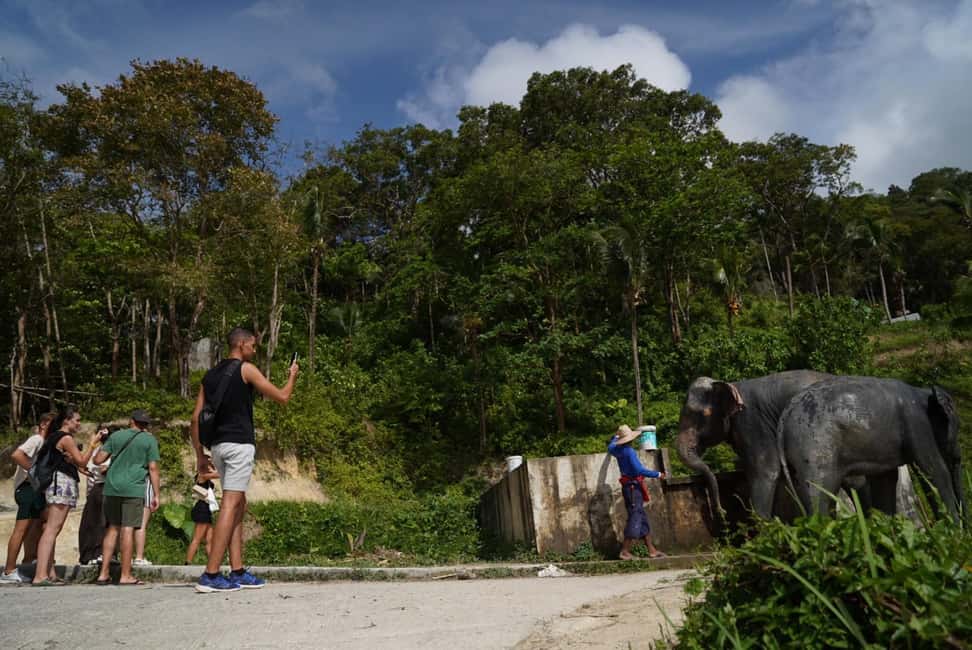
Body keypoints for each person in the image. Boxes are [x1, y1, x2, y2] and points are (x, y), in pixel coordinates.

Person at [190, 327, 298, 593]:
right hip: (239, 444)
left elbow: (195, 418)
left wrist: (199, 456)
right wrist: (292, 376)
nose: (254, 350)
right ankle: (211, 574)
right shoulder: (246, 369)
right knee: (231, 503)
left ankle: (237, 570)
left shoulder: (210, 375)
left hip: (217, 446)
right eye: (252, 346)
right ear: (241, 344)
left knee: (239, 504)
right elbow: (282, 397)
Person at [32, 406, 102, 586]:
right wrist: (93, 443)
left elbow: (71, 461)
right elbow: (83, 460)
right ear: (67, 420)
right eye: (77, 420)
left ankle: (49, 573)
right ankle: (40, 575)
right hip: (60, 485)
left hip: (56, 484)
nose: (79, 423)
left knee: (51, 528)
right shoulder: (66, 438)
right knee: (51, 529)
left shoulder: (54, 437)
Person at [94, 409, 160, 586]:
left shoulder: (116, 436)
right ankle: (125, 575)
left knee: (112, 528)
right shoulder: (149, 440)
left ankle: (103, 573)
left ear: (131, 421)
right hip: (134, 488)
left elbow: (98, 460)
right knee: (128, 529)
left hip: (112, 487)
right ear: (145, 424)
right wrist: (156, 494)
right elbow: (153, 468)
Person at [1, 413, 55, 583]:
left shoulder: (44, 443)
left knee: (37, 525)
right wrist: (35, 473)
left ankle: (28, 560)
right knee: (21, 529)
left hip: (34, 489)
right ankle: (8, 571)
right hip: (27, 489)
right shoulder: (37, 440)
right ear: (44, 424)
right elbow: (17, 455)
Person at [608, 424, 667, 560]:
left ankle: (651, 550)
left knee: (641, 516)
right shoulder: (629, 451)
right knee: (635, 516)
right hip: (634, 488)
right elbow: (639, 470)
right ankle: (625, 550)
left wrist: (616, 436)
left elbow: (610, 445)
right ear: (631, 439)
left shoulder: (616, 449)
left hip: (628, 488)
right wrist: (658, 474)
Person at [78, 424, 114, 566]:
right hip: (102, 487)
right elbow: (102, 468)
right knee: (101, 523)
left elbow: (83, 466)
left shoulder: (97, 450)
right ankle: (98, 554)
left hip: (96, 488)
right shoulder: (107, 451)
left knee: (95, 523)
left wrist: (92, 473)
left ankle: (94, 554)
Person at [185, 466, 220, 564]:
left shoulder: (206, 478)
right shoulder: (202, 475)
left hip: (206, 509)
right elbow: (220, 474)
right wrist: (216, 468)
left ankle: (213, 563)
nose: (210, 465)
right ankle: (187, 562)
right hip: (202, 509)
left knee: (209, 540)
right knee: (197, 538)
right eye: (208, 464)